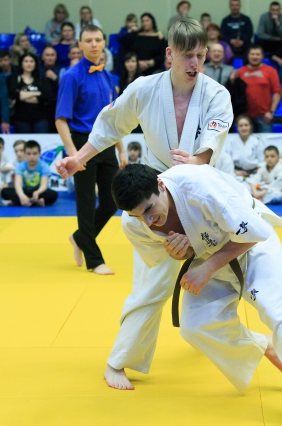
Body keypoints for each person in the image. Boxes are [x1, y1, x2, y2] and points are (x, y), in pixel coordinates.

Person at [56, 18, 233, 391]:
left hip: (205, 191)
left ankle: (214, 335)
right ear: (170, 53)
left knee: (227, 275)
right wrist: (79, 158)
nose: (195, 63)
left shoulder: (216, 94)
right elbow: (110, 124)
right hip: (158, 196)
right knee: (154, 282)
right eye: (187, 55)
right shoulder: (145, 88)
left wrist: (195, 162)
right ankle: (118, 361)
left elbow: (214, 139)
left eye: (200, 55)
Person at [110, 164, 282, 426]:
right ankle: (264, 345)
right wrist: (182, 254)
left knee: (280, 314)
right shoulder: (132, 224)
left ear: (160, 185)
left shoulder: (199, 186)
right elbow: (173, 253)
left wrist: (206, 268)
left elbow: (256, 232)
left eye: (149, 210)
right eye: (139, 216)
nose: (148, 221)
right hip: (209, 258)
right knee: (196, 326)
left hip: (253, 249)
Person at [55, 24, 126, 274]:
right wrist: (74, 155)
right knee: (85, 202)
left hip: (106, 142)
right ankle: (94, 260)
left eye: (98, 39)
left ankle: (79, 237)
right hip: (82, 143)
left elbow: (113, 118)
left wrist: (121, 150)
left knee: (112, 201)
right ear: (80, 44)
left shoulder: (107, 76)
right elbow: (60, 119)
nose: (94, 44)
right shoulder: (71, 76)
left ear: (104, 43)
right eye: (88, 40)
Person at [236, 45, 281, 133]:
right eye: (252, 54)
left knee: (266, 141)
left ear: (262, 56)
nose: (255, 57)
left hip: (264, 116)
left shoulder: (271, 71)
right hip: (245, 117)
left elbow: (277, 92)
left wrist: (272, 112)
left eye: (257, 54)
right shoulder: (240, 72)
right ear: (248, 56)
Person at [1, 140, 58, 207]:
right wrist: (22, 196)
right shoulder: (20, 166)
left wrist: (37, 192)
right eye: (28, 154)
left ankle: (20, 202)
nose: (31, 156)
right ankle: (35, 202)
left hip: (39, 192)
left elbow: (44, 185)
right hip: (25, 191)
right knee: (4, 191)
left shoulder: (44, 166)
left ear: (39, 154)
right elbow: (18, 184)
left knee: (53, 194)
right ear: (25, 154)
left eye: (34, 153)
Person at [8, 52, 51, 134]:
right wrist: (37, 93)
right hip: (21, 119)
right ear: (21, 63)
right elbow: (14, 94)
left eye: (31, 61)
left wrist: (22, 96)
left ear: (35, 63)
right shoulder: (14, 78)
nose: (29, 64)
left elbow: (45, 96)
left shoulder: (41, 79)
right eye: (26, 61)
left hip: (40, 118)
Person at [40, 47, 60, 132]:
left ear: (56, 57)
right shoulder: (37, 71)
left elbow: (66, 89)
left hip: (57, 107)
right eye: (47, 55)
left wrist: (55, 78)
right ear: (43, 57)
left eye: (52, 55)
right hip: (41, 106)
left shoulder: (61, 71)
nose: (50, 58)